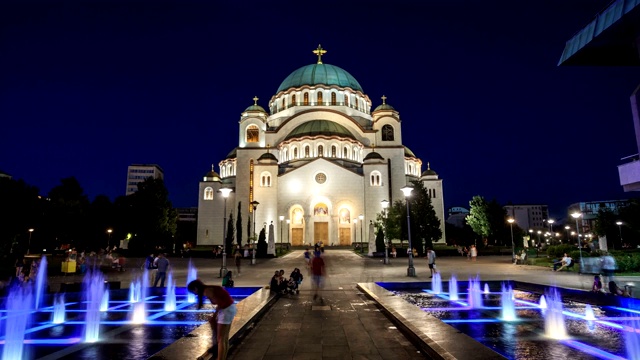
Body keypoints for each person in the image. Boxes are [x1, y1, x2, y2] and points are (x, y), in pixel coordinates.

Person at [187, 279, 237, 360]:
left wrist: (214, 318)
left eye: (193, 291)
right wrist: (214, 317)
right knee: (224, 338)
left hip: (226, 310)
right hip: (230, 308)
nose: (194, 294)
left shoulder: (207, 291)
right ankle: (223, 358)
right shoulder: (209, 289)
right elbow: (220, 303)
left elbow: (220, 303)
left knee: (220, 339)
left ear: (195, 288)